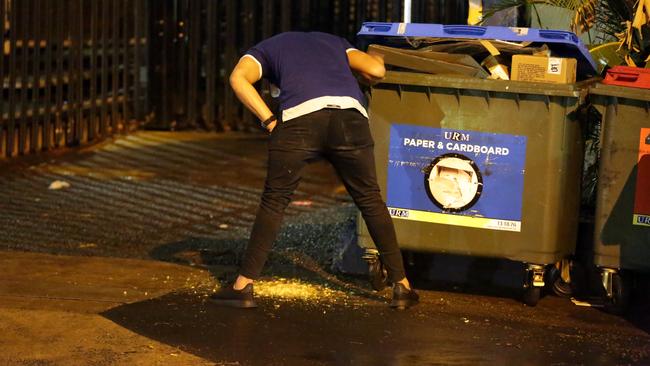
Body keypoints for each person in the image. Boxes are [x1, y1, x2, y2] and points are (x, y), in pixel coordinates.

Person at [210, 31, 419, 309]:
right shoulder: (335, 42)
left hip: (300, 119)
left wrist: (270, 121)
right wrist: (376, 59)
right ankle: (402, 287)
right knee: (369, 198)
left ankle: (243, 286)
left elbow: (238, 78)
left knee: (275, 201)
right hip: (350, 117)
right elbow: (375, 69)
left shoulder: (266, 48)